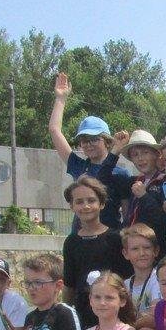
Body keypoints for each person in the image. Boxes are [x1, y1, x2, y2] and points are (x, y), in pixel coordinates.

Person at [48, 72, 129, 227]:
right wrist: (60, 98)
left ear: (107, 141)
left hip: (109, 236)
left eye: (94, 139)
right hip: (80, 235)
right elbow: (54, 130)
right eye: (84, 141)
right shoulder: (78, 166)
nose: (88, 144)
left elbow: (127, 213)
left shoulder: (121, 174)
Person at [61, 177, 133, 329]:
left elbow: (126, 280)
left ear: (102, 204)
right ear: (72, 206)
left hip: (113, 314)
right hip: (83, 314)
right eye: (79, 202)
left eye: (91, 200)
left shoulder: (115, 238)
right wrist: (65, 316)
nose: (86, 206)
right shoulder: (71, 242)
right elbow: (69, 285)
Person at [97, 129, 166, 260]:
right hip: (130, 247)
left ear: (156, 155)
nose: (140, 158)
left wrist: (144, 196)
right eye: (135, 155)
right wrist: (116, 150)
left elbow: (163, 219)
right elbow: (101, 179)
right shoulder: (132, 182)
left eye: (145, 153)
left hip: (154, 249)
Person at [121, 223, 163, 330]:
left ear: (156, 251)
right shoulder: (125, 285)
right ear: (126, 253)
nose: (142, 253)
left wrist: (128, 328)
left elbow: (154, 318)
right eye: (135, 249)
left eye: (147, 248)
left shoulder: (159, 278)